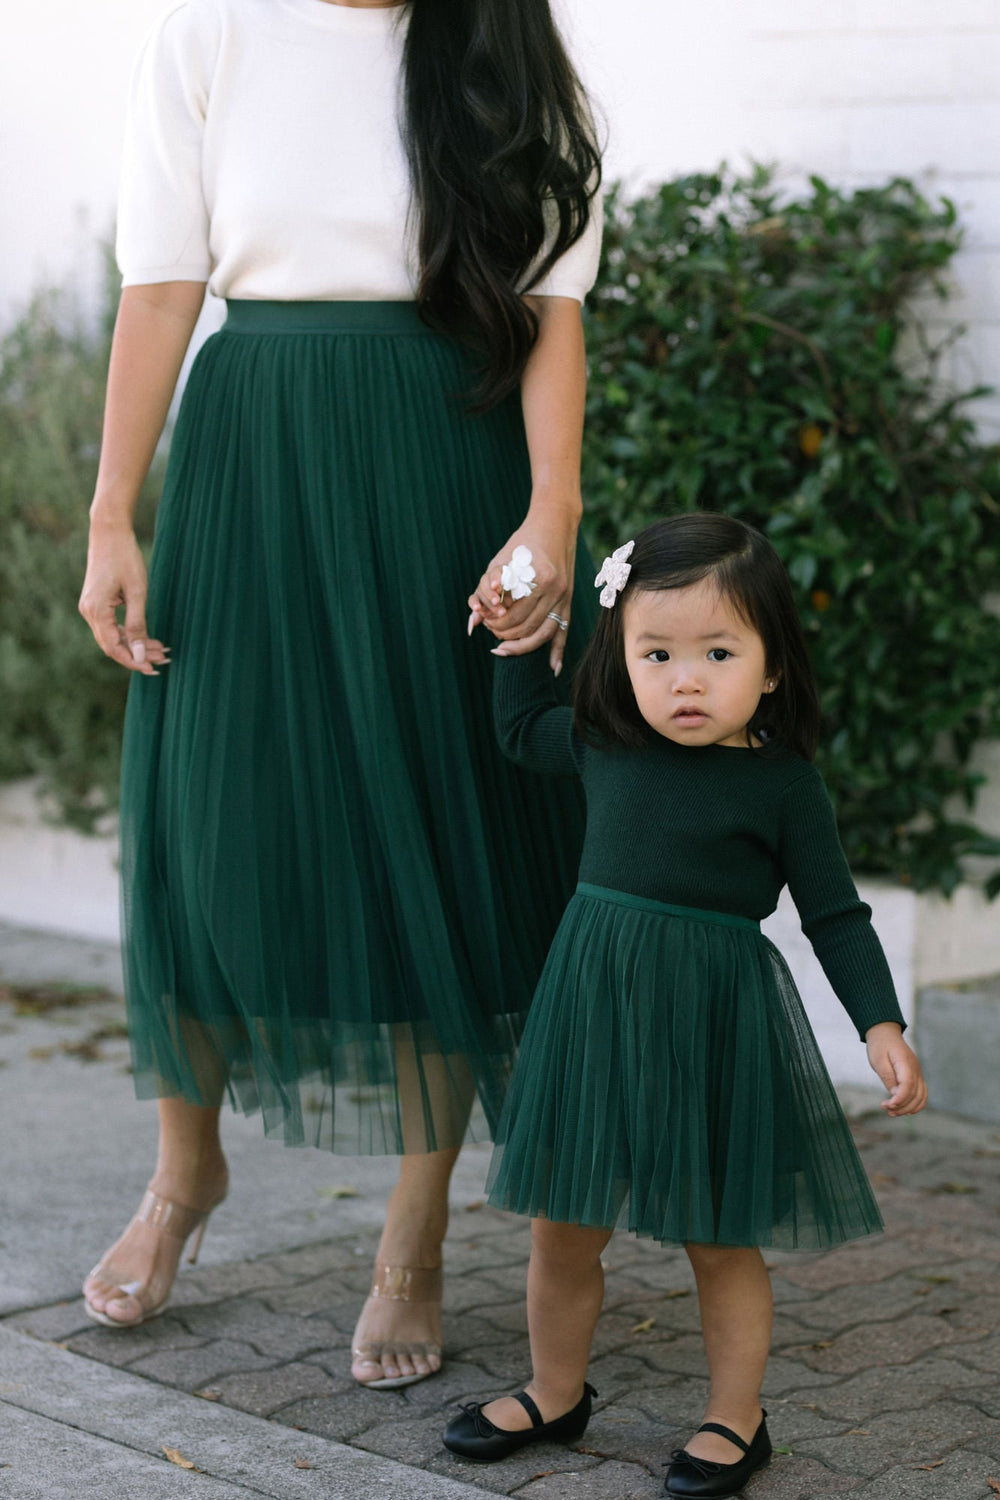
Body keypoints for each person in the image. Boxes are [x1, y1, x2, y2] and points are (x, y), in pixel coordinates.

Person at [77, 0, 602, 1392]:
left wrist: (552, 510)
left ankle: (413, 1238)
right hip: (253, 452)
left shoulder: (508, 49)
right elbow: (159, 283)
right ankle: (186, 1173)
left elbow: (554, 307)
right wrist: (111, 515)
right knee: (207, 819)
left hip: (444, 464)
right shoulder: (213, 35)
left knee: (433, 824)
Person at [445, 513, 927, 1496]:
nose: (686, 678)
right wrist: (514, 636)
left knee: (718, 1233)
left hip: (713, 1020)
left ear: (772, 665)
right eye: (655, 652)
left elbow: (834, 915)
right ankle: (553, 1389)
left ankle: (736, 1417)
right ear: (620, 657)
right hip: (594, 1007)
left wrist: (881, 1024)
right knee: (562, 1224)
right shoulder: (605, 742)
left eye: (718, 651)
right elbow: (515, 728)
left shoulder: (781, 785)